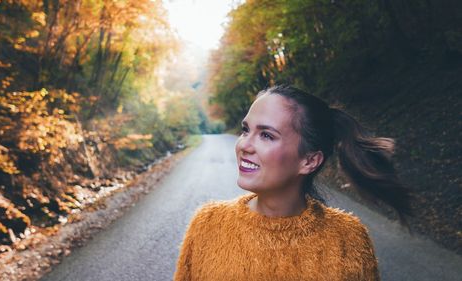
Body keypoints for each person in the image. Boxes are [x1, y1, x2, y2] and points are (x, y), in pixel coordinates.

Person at [173, 85, 411, 281]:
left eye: (266, 135)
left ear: (309, 161)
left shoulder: (348, 239)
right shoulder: (207, 224)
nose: (244, 145)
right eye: (246, 130)